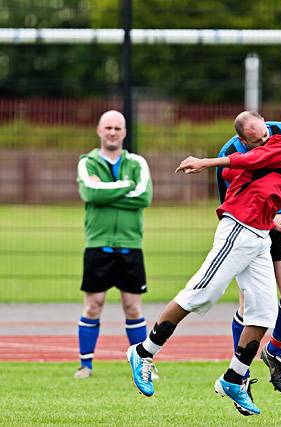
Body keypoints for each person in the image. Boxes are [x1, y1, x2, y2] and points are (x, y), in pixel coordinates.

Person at [126, 108, 281, 416]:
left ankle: (234, 378)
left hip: (260, 234)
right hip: (240, 228)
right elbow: (248, 163)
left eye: (264, 136)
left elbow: (260, 169)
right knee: (200, 293)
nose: (261, 142)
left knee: (263, 312)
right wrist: (205, 162)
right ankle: (143, 352)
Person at [216, 111, 281, 406]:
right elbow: (234, 204)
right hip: (250, 226)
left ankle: (274, 350)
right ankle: (241, 373)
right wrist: (272, 218)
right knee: (248, 305)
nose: (264, 143)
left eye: (266, 136)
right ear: (242, 140)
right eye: (256, 141)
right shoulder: (229, 156)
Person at [74, 110, 153, 379]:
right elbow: (90, 192)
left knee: (133, 307)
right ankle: (86, 365)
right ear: (98, 130)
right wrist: (125, 187)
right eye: (107, 127)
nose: (112, 132)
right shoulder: (87, 162)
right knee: (93, 304)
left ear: (124, 132)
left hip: (131, 243)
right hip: (98, 243)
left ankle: (141, 366)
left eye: (117, 128)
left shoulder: (137, 163)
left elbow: (143, 196)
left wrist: (107, 191)